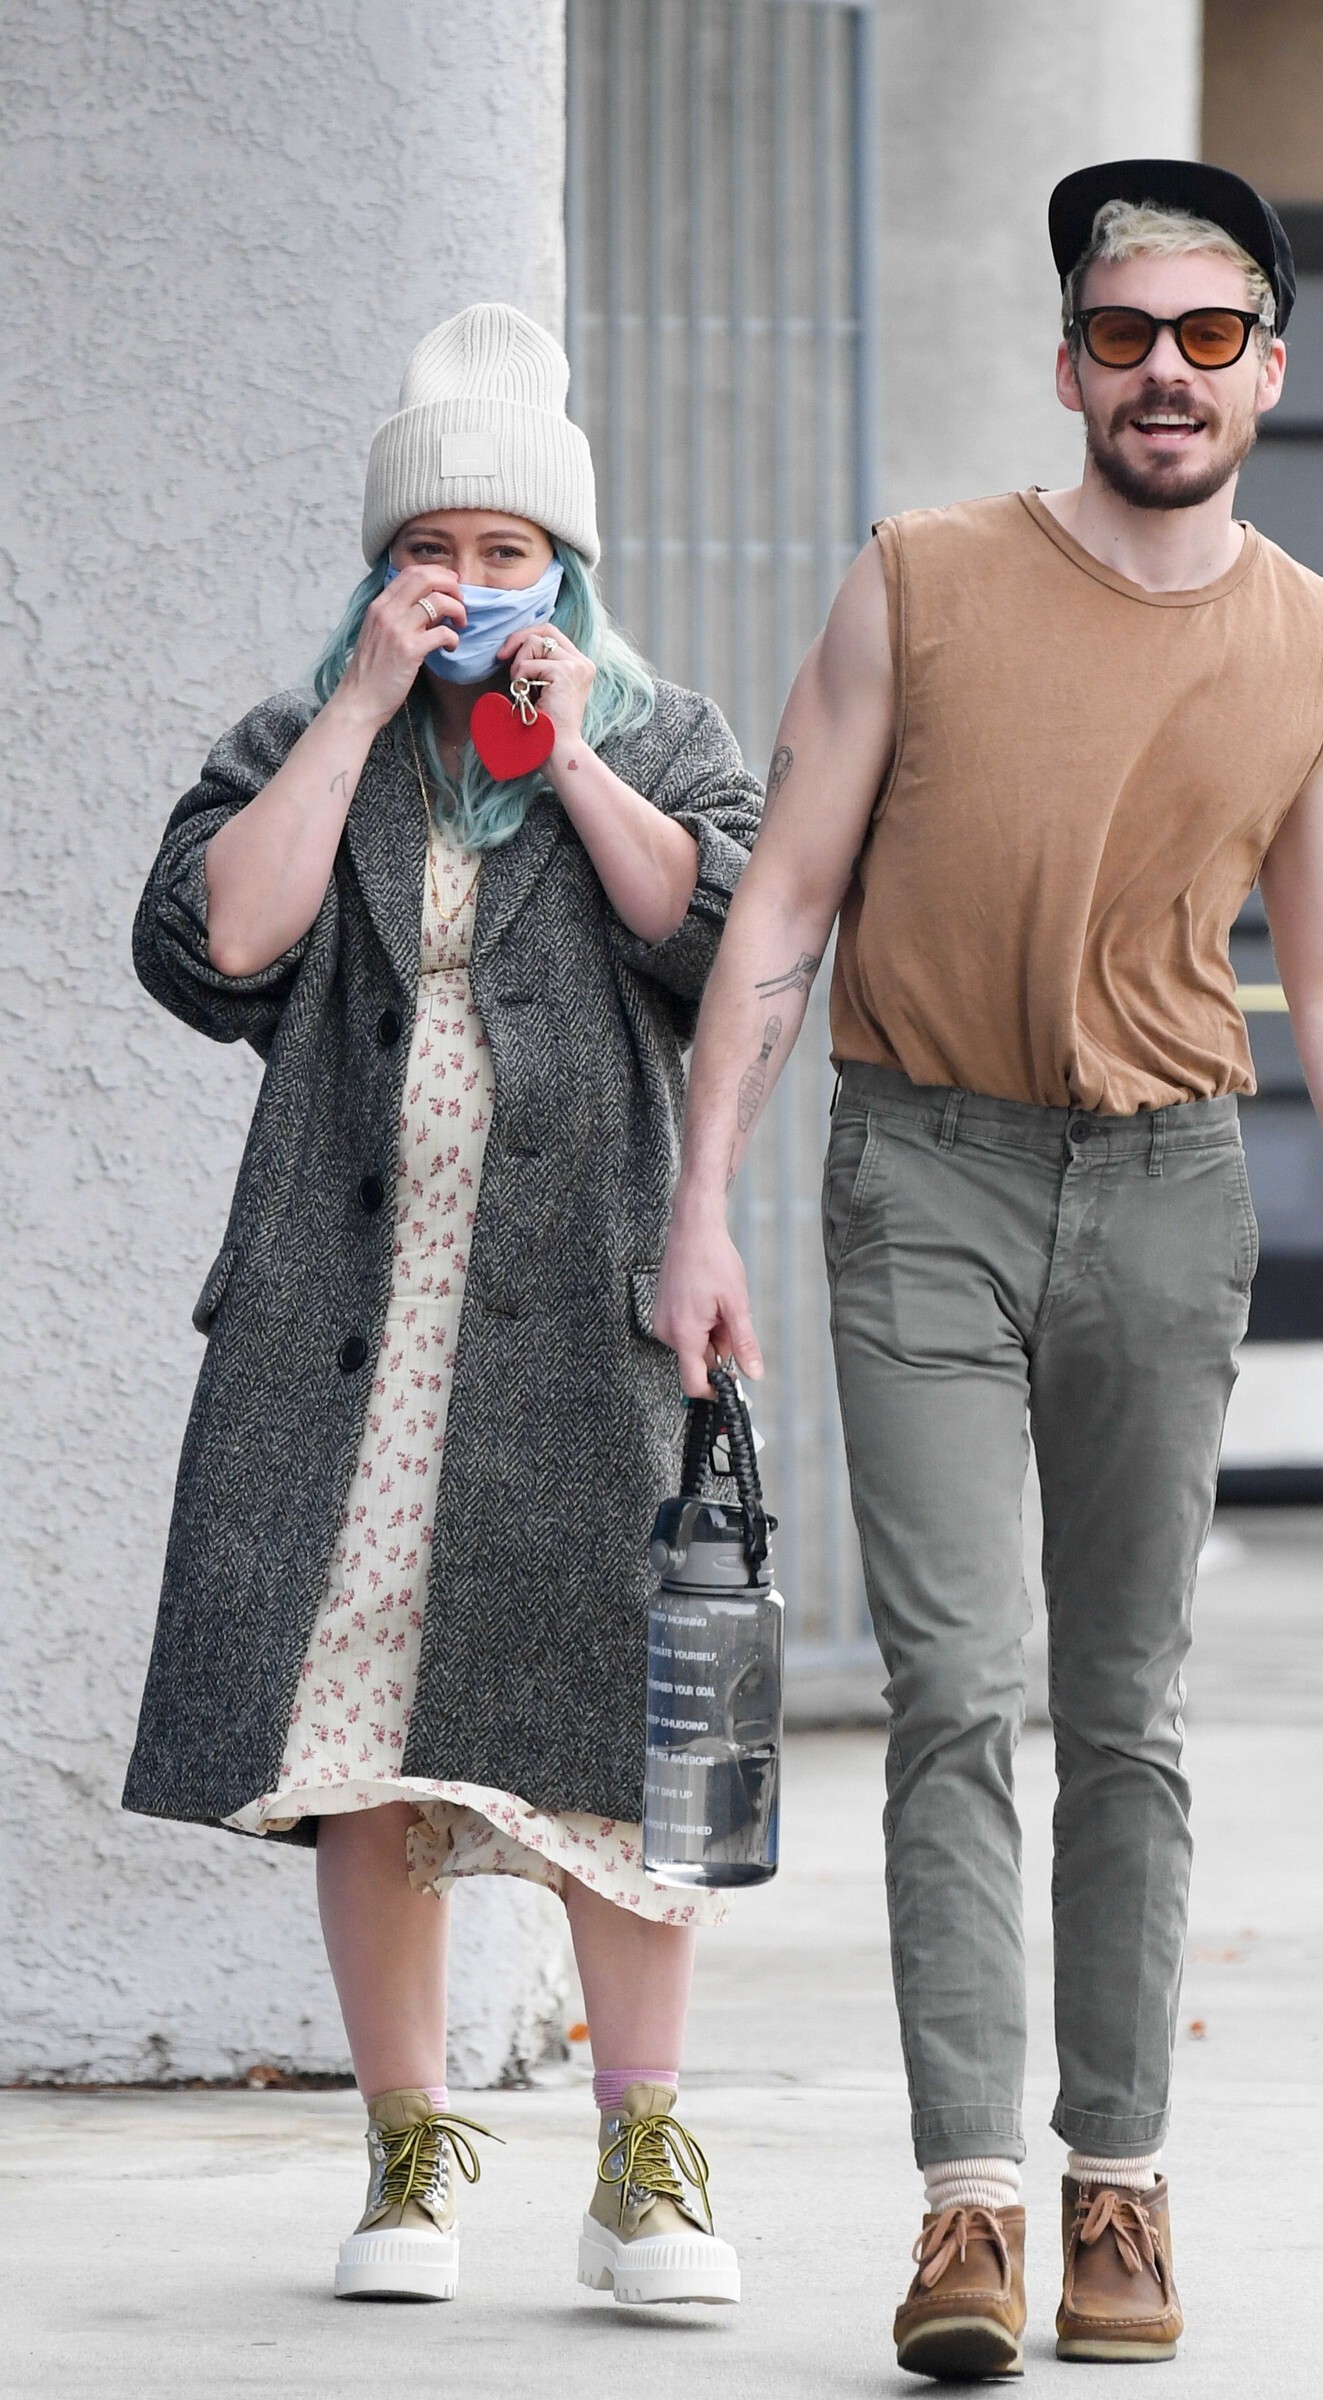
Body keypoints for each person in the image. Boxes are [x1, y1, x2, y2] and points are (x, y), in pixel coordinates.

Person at [655, 160, 1323, 2373]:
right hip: (923, 1177)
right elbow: (783, 904)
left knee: (1127, 1710)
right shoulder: (919, 581)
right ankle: (967, 2210)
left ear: (1266, 374)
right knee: (957, 1691)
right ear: (1068, 365)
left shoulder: (1319, 643)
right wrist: (700, 1205)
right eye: (1123, 334)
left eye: (1206, 337)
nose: (1163, 372)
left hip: (1165, 1190)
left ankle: (1117, 2184)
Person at [123, 303, 761, 2310]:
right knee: (362, 1741)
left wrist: (565, 754)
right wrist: (359, 707)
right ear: (379, 566)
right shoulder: (294, 735)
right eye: (431, 551)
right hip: (352, 1322)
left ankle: (643, 2166)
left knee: (616, 1751)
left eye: (508, 553)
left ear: (569, 568)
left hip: (580, 1317)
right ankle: (408, 2161)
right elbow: (219, 946)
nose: (469, 585)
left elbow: (721, 943)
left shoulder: (661, 733)